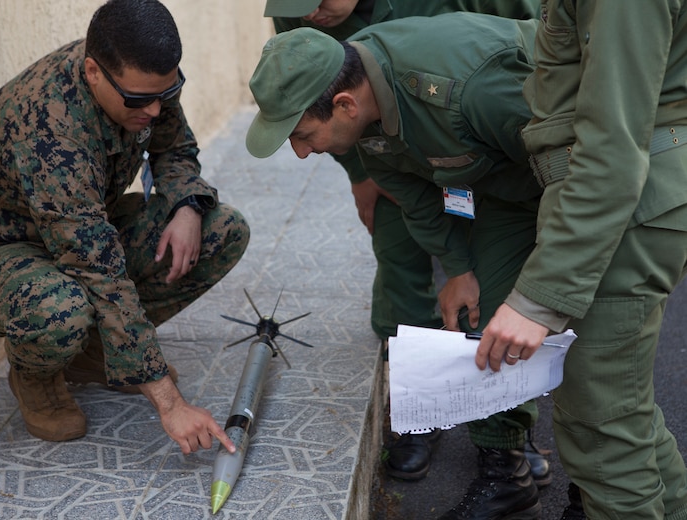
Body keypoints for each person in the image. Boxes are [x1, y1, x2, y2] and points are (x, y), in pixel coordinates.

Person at [246, 14, 548, 519]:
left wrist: (548, 284)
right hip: (504, 186)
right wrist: (458, 269)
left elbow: (580, 167)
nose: (300, 153)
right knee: (488, 311)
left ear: (344, 105)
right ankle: (506, 470)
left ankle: (598, 496)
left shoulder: (467, 89)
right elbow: (414, 195)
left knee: (590, 336)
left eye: (302, 134)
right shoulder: (363, 105)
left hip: (576, 182)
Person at [0, 0, 249, 456]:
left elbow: (175, 148)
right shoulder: (49, 125)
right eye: (141, 101)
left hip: (80, 229)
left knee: (221, 228)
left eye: (167, 92)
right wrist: (169, 403)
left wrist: (186, 209)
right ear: (94, 72)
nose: (156, 110)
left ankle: (94, 351)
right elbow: (96, 266)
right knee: (62, 307)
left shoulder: (144, 81)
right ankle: (35, 375)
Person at [475, 1, 687, 519]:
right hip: (626, 205)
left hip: (621, 209)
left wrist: (537, 300)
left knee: (601, 433)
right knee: (620, 412)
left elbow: (613, 148)